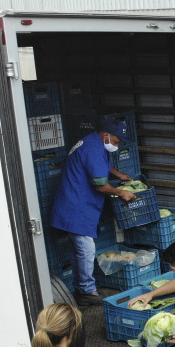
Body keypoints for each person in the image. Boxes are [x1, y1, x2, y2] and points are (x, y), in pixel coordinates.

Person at [50, 120, 137, 306]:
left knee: (78, 250)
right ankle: (87, 291)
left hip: (74, 203)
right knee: (86, 249)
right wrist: (122, 192)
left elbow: (100, 165)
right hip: (76, 206)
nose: (117, 145)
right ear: (105, 134)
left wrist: (118, 174)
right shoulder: (93, 149)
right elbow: (99, 185)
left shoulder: (93, 142)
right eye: (116, 141)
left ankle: (81, 288)